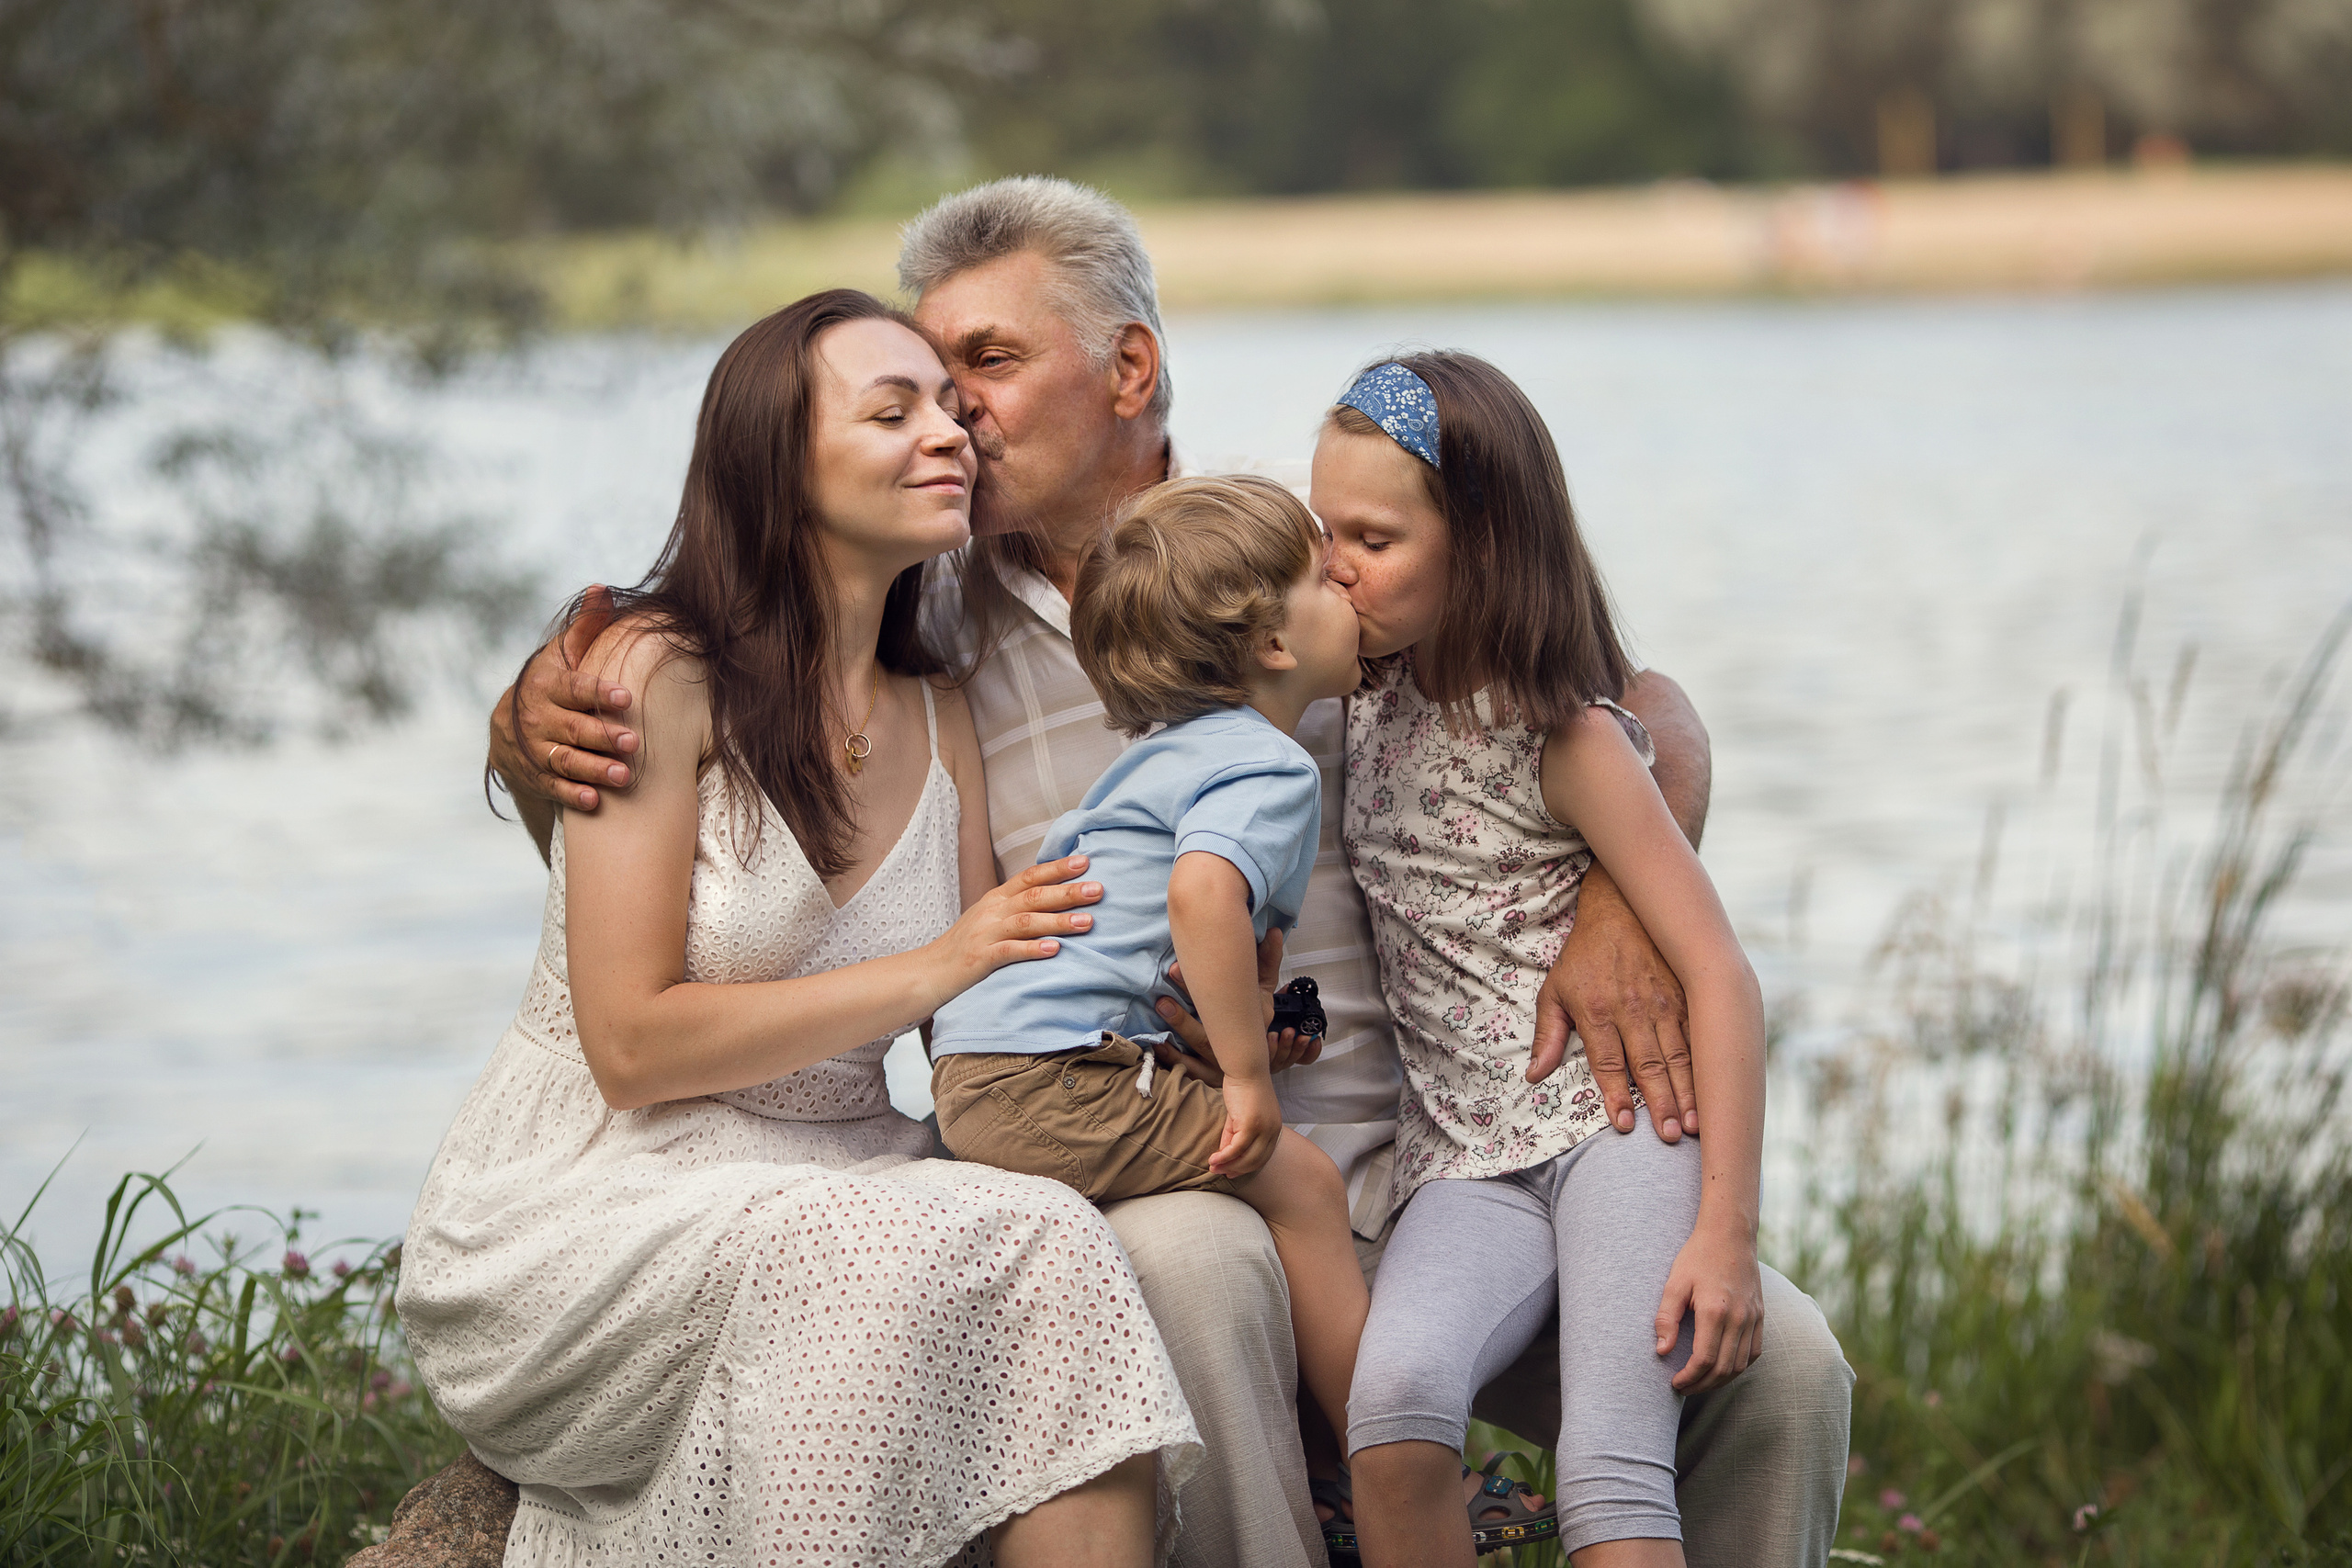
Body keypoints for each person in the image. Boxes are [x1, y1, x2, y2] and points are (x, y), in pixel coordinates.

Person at [489, 176, 1854, 1568]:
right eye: (928, 381)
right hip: (1185, 1156)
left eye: (987, 363)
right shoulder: (928, 620)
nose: (953, 414)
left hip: (1461, 1157)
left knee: (1783, 1369)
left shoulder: (1300, 560)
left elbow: (1632, 701)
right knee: (1192, 1271)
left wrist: (1619, 900)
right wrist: (531, 715)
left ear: (1129, 367)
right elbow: (722, 652)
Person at [400, 288, 1201, 1568]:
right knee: (859, 1249)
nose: (947, 434)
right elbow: (631, 1045)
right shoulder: (653, 672)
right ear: (778, 465)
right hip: (590, 1200)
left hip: (842, 1163)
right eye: (893, 412)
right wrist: (940, 960)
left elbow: (980, 1022)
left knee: (1055, 1241)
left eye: (950, 408)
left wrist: (1188, 995)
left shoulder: (939, 719)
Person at [1316, 355, 1765, 1568]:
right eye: (1323, 532)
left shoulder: (1562, 733)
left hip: (1615, 1133)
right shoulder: (1353, 697)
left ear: (1482, 542)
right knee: (1393, 1406)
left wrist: (1726, 1232)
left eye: (1373, 538)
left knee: (1612, 1462)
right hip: (1461, 1156)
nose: (1336, 565)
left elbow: (1721, 974)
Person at [930, 475, 1370, 1457]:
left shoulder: (1158, 760)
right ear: (1272, 644)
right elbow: (1201, 898)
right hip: (1048, 1076)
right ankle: (1387, 1463)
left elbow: (1147, 943)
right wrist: (1247, 1081)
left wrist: (1248, 1024)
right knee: (1303, 1186)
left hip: (983, 1067)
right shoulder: (1269, 764)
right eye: (1321, 575)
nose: (1346, 581)